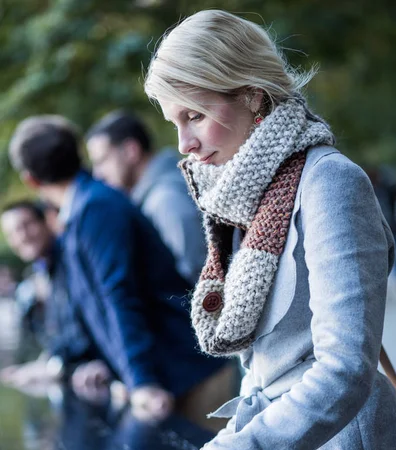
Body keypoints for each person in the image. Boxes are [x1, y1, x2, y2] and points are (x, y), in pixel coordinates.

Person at [104, 10, 396, 450]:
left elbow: (346, 368)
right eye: (174, 122)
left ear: (252, 95)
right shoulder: (250, 195)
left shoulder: (329, 182)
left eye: (194, 115)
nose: (184, 145)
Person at [8, 115, 233, 428]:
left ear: (31, 179)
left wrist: (141, 381)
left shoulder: (97, 208)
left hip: (188, 372)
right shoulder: (80, 214)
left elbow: (118, 294)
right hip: (167, 375)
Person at [86, 111, 206, 285]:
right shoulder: (155, 196)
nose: (97, 174)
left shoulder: (166, 200)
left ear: (130, 151)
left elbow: (192, 277)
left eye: (102, 160)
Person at [0, 200, 101, 385]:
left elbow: (88, 331)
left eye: (26, 226)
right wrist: (44, 363)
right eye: (12, 233)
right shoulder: (43, 272)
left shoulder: (73, 262)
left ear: (46, 221)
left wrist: (52, 368)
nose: (21, 237)